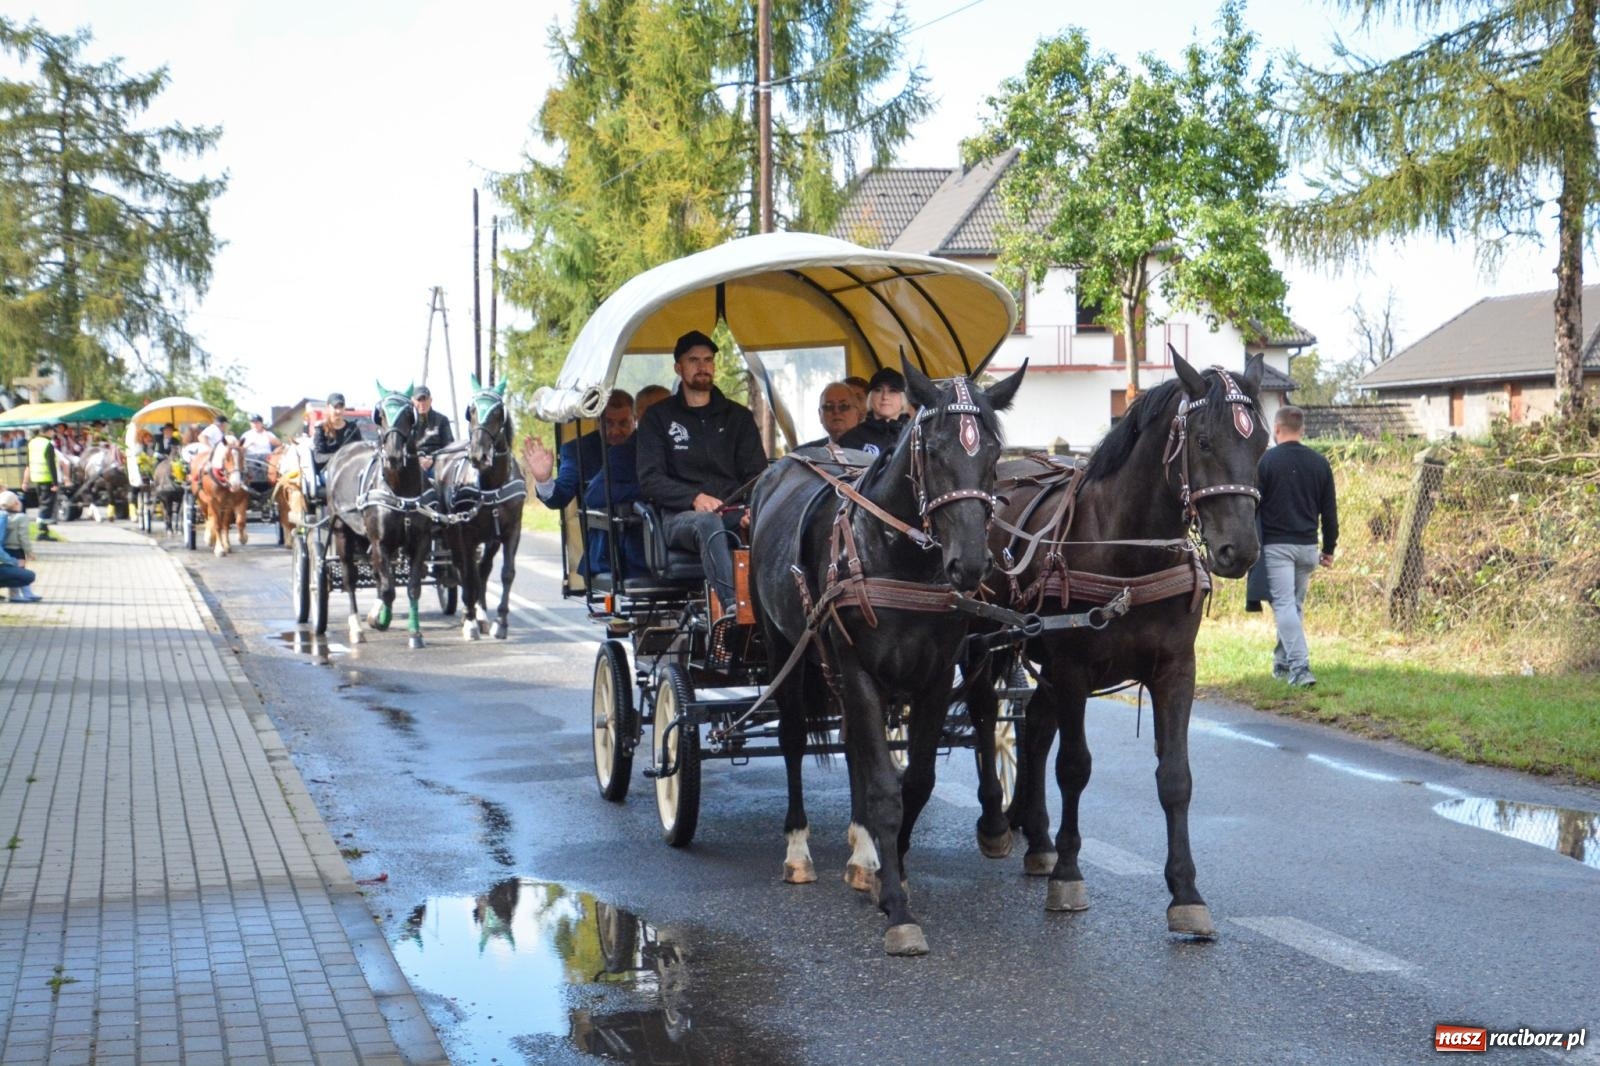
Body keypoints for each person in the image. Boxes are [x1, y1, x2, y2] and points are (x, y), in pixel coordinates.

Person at [636, 329, 768, 614]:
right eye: (694, 360)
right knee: (707, 522)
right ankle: (734, 607)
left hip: (732, 511)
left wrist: (751, 510)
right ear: (678, 368)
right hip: (678, 518)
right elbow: (650, 480)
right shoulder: (658, 418)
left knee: (776, 519)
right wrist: (694, 498)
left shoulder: (738, 418)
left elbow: (757, 474)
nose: (702, 366)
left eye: (708, 360)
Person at [1257, 405, 1339, 688]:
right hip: (1307, 547)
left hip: (1277, 547)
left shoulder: (1265, 463)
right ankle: (1281, 663)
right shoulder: (1320, 463)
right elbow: (1329, 512)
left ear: (1276, 429)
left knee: (1283, 606)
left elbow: (1254, 507)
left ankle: (1300, 668)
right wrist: (1329, 549)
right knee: (1294, 606)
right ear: (1302, 430)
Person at [838, 366, 911, 455]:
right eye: (878, 390)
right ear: (870, 397)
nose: (885, 397)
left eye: (892, 391)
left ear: (903, 398)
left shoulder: (916, 436)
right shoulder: (851, 439)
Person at [312, 393, 363, 496]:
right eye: (335, 407)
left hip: (352, 469)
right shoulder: (321, 430)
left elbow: (361, 450)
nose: (338, 411)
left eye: (341, 407)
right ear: (328, 408)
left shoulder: (353, 428)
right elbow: (318, 457)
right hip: (329, 470)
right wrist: (340, 456)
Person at [0, 490, 40, 601]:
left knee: (13, 570)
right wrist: (29, 551)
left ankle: (17, 594)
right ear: (15, 504)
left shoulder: (3, 517)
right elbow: (24, 537)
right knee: (21, 570)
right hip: (17, 548)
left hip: (6, 549)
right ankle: (22, 594)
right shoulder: (21, 517)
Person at [802, 381, 864, 448]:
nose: (836, 411)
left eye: (844, 406)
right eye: (828, 406)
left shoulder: (873, 451)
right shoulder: (804, 454)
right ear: (820, 415)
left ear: (857, 413)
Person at [23, 425, 59, 539]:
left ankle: (44, 530)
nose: (53, 433)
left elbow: (28, 463)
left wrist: (25, 481)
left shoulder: (32, 443)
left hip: (36, 478)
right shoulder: (48, 444)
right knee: (46, 505)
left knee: (43, 504)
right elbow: (51, 465)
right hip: (47, 479)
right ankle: (42, 532)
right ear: (48, 432)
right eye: (52, 431)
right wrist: (55, 483)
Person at [410, 386, 454, 477]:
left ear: (430, 400)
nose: (422, 403)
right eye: (419, 400)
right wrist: (418, 458)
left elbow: (449, 446)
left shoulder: (442, 420)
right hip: (414, 464)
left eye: (425, 399)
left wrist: (433, 459)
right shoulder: (407, 422)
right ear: (413, 401)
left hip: (438, 464)